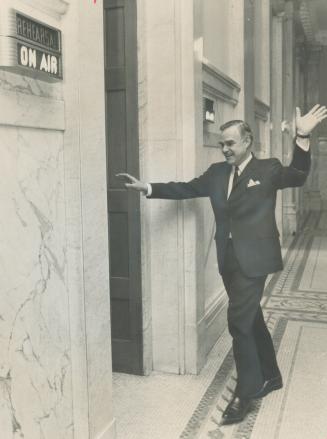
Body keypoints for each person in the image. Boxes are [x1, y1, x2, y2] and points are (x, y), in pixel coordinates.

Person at [116, 104, 327, 425]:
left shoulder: (268, 169)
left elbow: (297, 176)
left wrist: (301, 136)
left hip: (255, 260)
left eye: (230, 143)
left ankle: (247, 392)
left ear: (247, 142)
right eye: (222, 144)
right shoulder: (216, 174)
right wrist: (148, 187)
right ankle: (271, 374)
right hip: (228, 260)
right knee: (251, 317)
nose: (225, 148)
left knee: (238, 323)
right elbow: (186, 188)